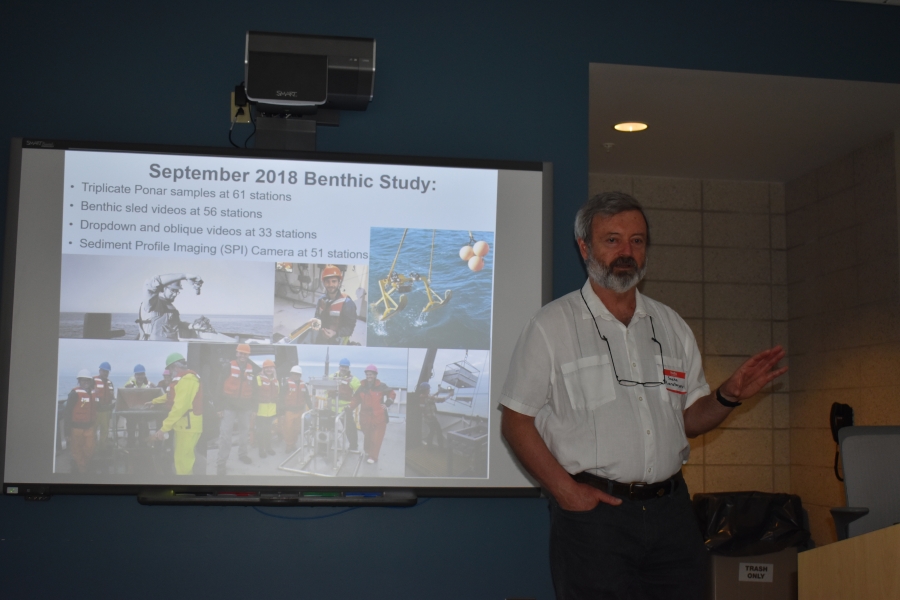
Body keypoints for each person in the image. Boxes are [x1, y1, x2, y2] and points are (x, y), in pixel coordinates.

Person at [500, 192, 788, 600]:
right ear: (585, 247)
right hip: (594, 516)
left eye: (637, 240)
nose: (626, 252)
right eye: (612, 240)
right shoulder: (551, 325)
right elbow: (515, 420)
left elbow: (688, 418)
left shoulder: (671, 325)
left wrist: (727, 395)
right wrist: (565, 492)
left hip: (672, 513)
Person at [151, 353, 203, 475]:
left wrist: (164, 429)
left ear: (174, 367)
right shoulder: (182, 380)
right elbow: (170, 395)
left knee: (183, 461)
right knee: (181, 458)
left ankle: (185, 486)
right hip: (183, 425)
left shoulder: (188, 380)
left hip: (188, 426)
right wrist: (154, 401)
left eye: (169, 369)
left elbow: (179, 408)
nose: (169, 372)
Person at [216, 343, 256, 475]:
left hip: (245, 407)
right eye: (240, 353)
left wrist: (254, 407)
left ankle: (243, 454)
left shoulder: (252, 368)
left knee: (244, 432)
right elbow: (219, 385)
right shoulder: (227, 366)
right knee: (225, 435)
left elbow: (254, 389)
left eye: (245, 353)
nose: (243, 355)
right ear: (236, 353)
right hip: (229, 406)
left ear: (248, 355)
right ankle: (221, 463)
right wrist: (219, 407)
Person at [350, 364, 396, 464]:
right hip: (365, 416)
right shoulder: (362, 387)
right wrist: (349, 408)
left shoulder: (382, 386)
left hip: (378, 416)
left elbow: (392, 393)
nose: (368, 376)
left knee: (377, 436)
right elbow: (356, 399)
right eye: (367, 374)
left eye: (371, 374)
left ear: (375, 375)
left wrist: (388, 403)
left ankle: (373, 456)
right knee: (367, 435)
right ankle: (367, 451)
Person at [141, 273, 203, 340]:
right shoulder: (152, 303)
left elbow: (176, 324)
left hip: (170, 345)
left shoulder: (169, 306)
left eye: (177, 291)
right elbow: (150, 284)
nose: (175, 294)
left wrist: (192, 326)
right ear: (164, 288)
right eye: (172, 290)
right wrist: (184, 276)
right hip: (153, 346)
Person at [309, 265, 357, 345]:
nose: (330, 284)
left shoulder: (347, 303)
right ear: (324, 282)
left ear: (339, 282)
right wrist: (315, 322)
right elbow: (318, 316)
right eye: (327, 281)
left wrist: (335, 333)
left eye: (334, 281)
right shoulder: (321, 300)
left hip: (338, 338)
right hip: (321, 336)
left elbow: (350, 328)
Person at [65, 370, 98, 474]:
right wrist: (67, 432)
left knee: (89, 449)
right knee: (77, 450)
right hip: (76, 428)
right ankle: (82, 471)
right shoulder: (74, 394)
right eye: (83, 380)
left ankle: (84, 466)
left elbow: (96, 407)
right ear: (79, 381)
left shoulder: (92, 393)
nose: (86, 382)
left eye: (88, 380)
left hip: (89, 427)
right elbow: (67, 413)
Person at [330, 357, 361, 453]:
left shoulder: (353, 380)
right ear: (339, 367)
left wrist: (351, 406)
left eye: (345, 367)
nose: (343, 368)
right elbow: (325, 388)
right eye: (342, 366)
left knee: (350, 428)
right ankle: (327, 444)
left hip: (345, 410)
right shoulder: (332, 377)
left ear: (348, 368)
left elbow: (359, 394)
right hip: (332, 408)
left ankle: (353, 446)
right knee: (328, 427)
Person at [123, 363, 156, 447]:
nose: (140, 376)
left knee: (144, 431)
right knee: (131, 430)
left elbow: (156, 394)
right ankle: (130, 447)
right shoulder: (129, 384)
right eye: (138, 374)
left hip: (144, 413)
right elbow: (123, 394)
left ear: (144, 374)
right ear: (135, 375)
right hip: (132, 412)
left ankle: (143, 447)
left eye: (141, 374)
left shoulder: (150, 385)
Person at [282, 365, 310, 453]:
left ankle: (293, 444)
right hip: (289, 411)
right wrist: (281, 411)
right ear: (291, 374)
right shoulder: (286, 384)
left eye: (298, 374)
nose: (296, 376)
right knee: (288, 429)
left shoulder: (303, 385)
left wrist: (312, 408)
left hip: (299, 411)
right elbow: (281, 397)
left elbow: (307, 398)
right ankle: (288, 445)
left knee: (296, 429)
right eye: (294, 374)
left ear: (300, 375)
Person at [255, 359, 279, 458]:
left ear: (274, 369)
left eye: (271, 367)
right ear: (263, 369)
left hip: (271, 410)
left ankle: (269, 448)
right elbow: (254, 394)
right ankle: (261, 450)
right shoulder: (258, 378)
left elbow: (278, 395)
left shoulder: (276, 381)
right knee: (261, 431)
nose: (269, 369)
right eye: (267, 367)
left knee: (269, 430)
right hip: (260, 411)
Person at [93, 362, 115, 453]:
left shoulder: (110, 383)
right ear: (100, 371)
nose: (105, 373)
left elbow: (112, 396)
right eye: (104, 371)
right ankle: (93, 448)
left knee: (104, 430)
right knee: (92, 430)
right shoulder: (92, 381)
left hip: (106, 411)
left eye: (107, 372)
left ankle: (102, 448)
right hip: (95, 411)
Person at [416, 382, 445, 449]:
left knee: (432, 431)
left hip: (427, 419)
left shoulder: (422, 397)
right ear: (426, 390)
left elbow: (429, 397)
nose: (429, 390)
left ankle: (429, 446)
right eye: (428, 389)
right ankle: (441, 447)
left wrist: (436, 393)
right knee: (439, 431)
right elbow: (440, 400)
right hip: (431, 419)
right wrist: (449, 395)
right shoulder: (428, 398)